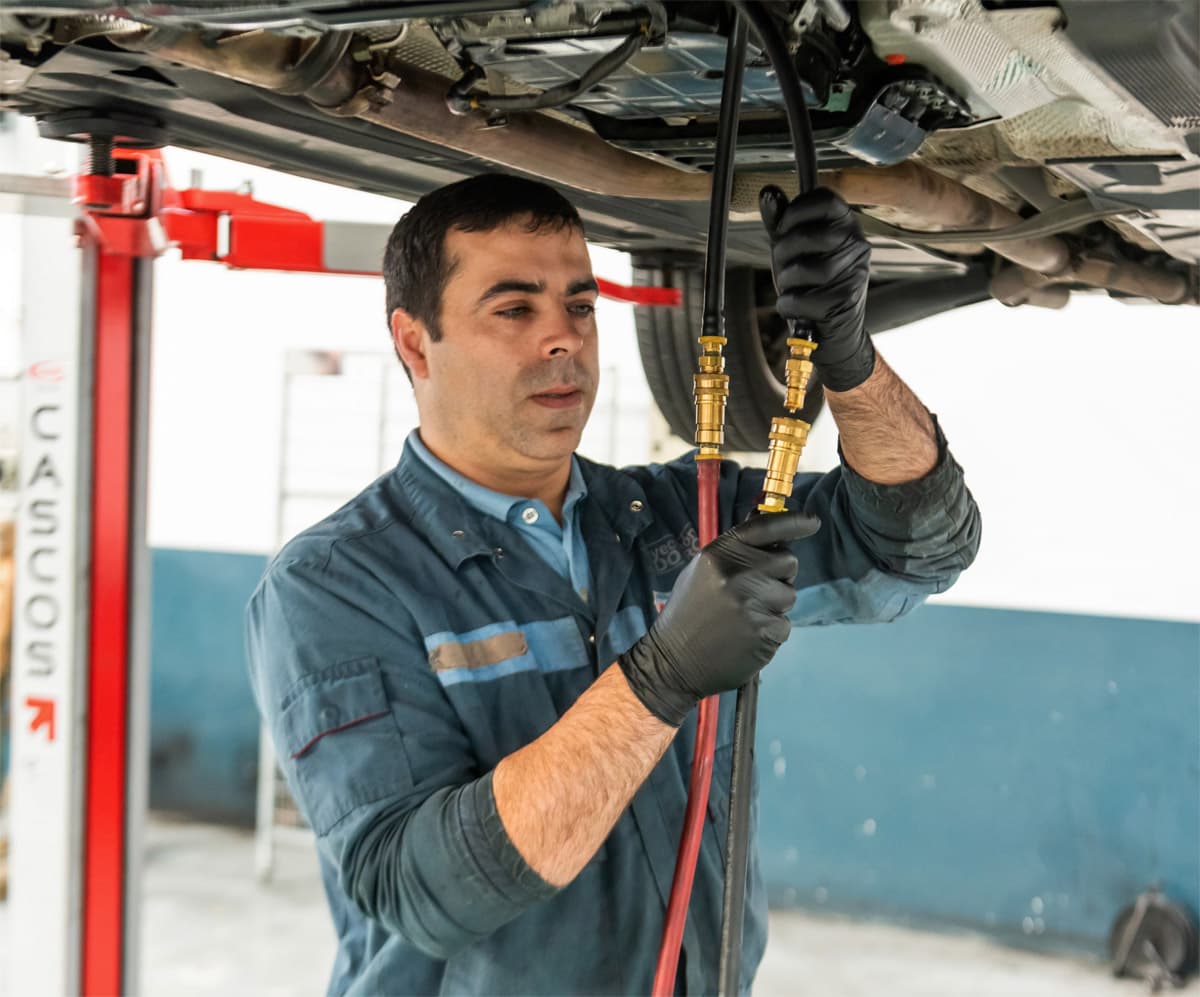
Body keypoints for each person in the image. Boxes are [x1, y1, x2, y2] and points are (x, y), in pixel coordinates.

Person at [245, 172, 980, 996]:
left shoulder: (676, 517)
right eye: (516, 309)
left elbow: (916, 544)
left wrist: (849, 356)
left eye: (582, 306)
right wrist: (661, 678)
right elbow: (428, 889)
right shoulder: (334, 585)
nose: (563, 338)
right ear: (416, 343)